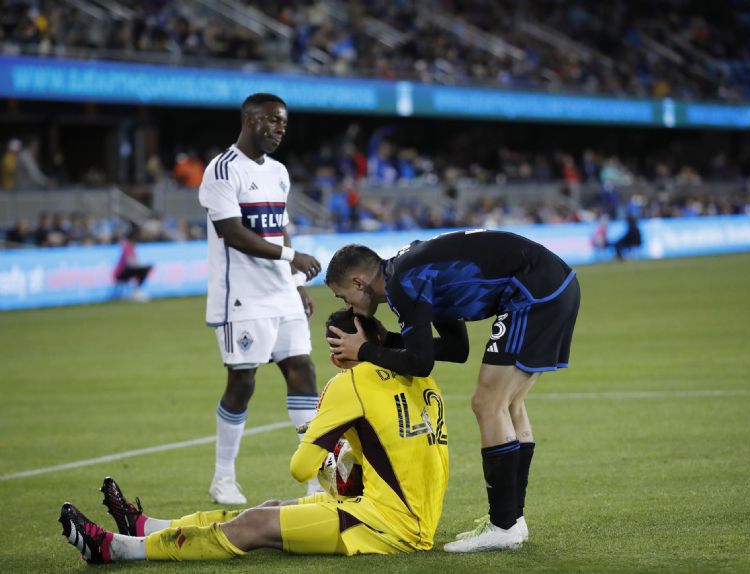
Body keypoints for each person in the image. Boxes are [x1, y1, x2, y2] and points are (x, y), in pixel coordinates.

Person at [58, 309, 449, 563]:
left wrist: (327, 448)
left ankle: (117, 549)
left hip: (387, 524)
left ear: (337, 353)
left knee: (254, 524)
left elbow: (301, 468)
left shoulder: (349, 382)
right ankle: (148, 526)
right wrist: (347, 458)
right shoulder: (419, 373)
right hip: (409, 515)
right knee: (272, 505)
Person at [325, 229, 581, 552]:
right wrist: (386, 341)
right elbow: (456, 348)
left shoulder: (403, 283)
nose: (347, 306)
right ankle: (511, 521)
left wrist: (363, 351)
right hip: (553, 286)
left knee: (487, 404)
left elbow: (420, 363)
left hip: (534, 292)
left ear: (359, 283)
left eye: (342, 295)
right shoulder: (407, 270)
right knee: (509, 404)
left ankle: (503, 526)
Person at [198, 93, 323, 505]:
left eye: (284, 124)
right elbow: (233, 232)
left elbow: (279, 229)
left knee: (303, 370)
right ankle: (223, 478)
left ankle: (316, 478)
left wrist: (295, 280)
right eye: (273, 121)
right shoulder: (221, 170)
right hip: (243, 298)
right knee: (243, 380)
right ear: (251, 120)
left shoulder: (279, 172)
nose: (279, 130)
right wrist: (292, 256)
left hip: (281, 292)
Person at [113, 225, 154, 302]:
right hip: (120, 273)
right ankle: (136, 291)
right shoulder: (127, 247)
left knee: (144, 269)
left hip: (127, 271)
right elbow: (130, 262)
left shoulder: (131, 247)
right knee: (143, 270)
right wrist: (142, 266)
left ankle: (136, 291)